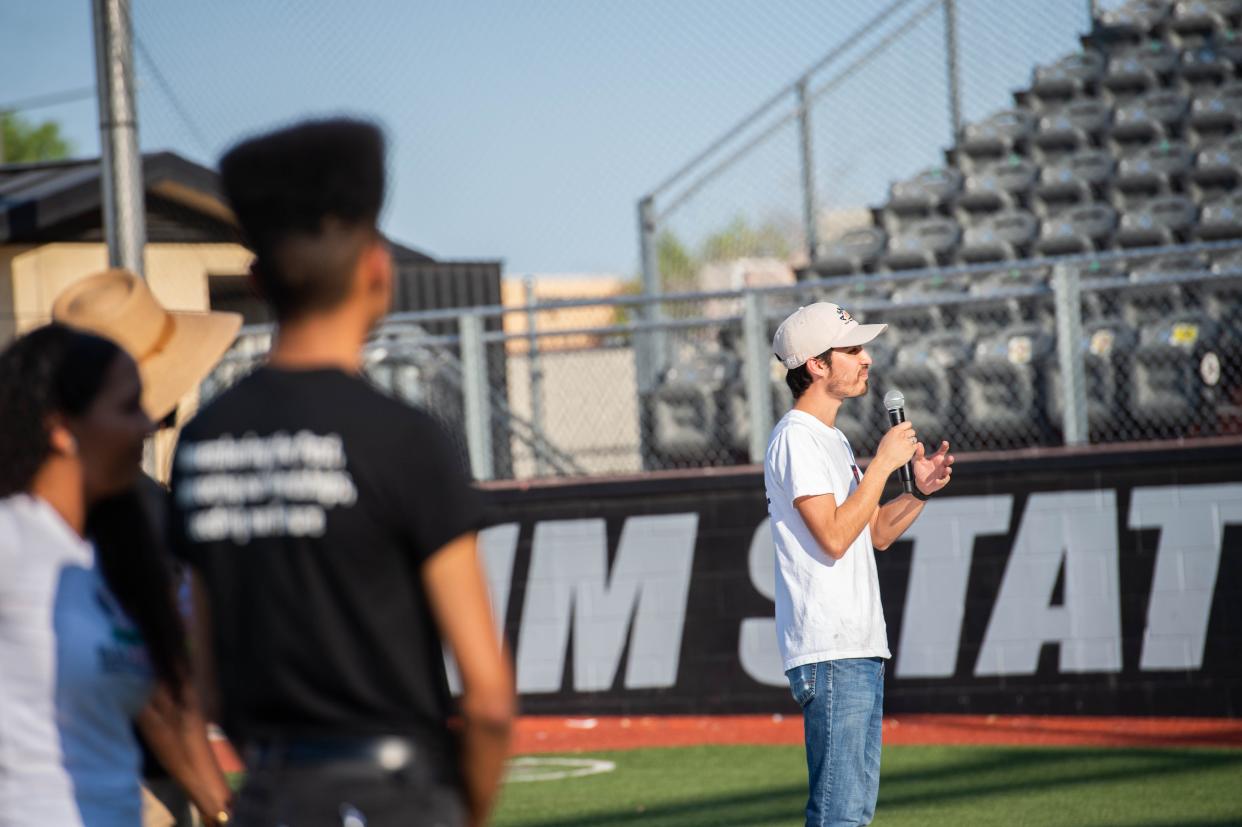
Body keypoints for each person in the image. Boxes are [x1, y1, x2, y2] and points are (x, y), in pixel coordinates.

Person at [168, 118, 514, 827]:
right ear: (377, 267)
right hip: (396, 796)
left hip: (269, 795)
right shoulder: (407, 439)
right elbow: (487, 699)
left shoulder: (202, 440)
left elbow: (203, 684)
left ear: (258, 281)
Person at [0, 324, 232, 827]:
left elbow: (171, 705)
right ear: (61, 427)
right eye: (129, 408)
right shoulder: (12, 542)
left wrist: (224, 811)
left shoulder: (118, 556)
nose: (148, 426)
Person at [52, 267, 243, 827]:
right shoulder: (131, 514)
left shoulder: (33, 502)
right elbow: (160, 690)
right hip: (131, 784)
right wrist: (220, 806)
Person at [764, 302, 954, 827]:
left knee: (852, 813)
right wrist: (884, 465)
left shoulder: (830, 438)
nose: (866, 359)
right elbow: (832, 535)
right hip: (831, 651)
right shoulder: (797, 438)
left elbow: (873, 533)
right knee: (840, 815)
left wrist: (916, 489)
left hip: (855, 648)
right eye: (852, 350)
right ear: (817, 365)